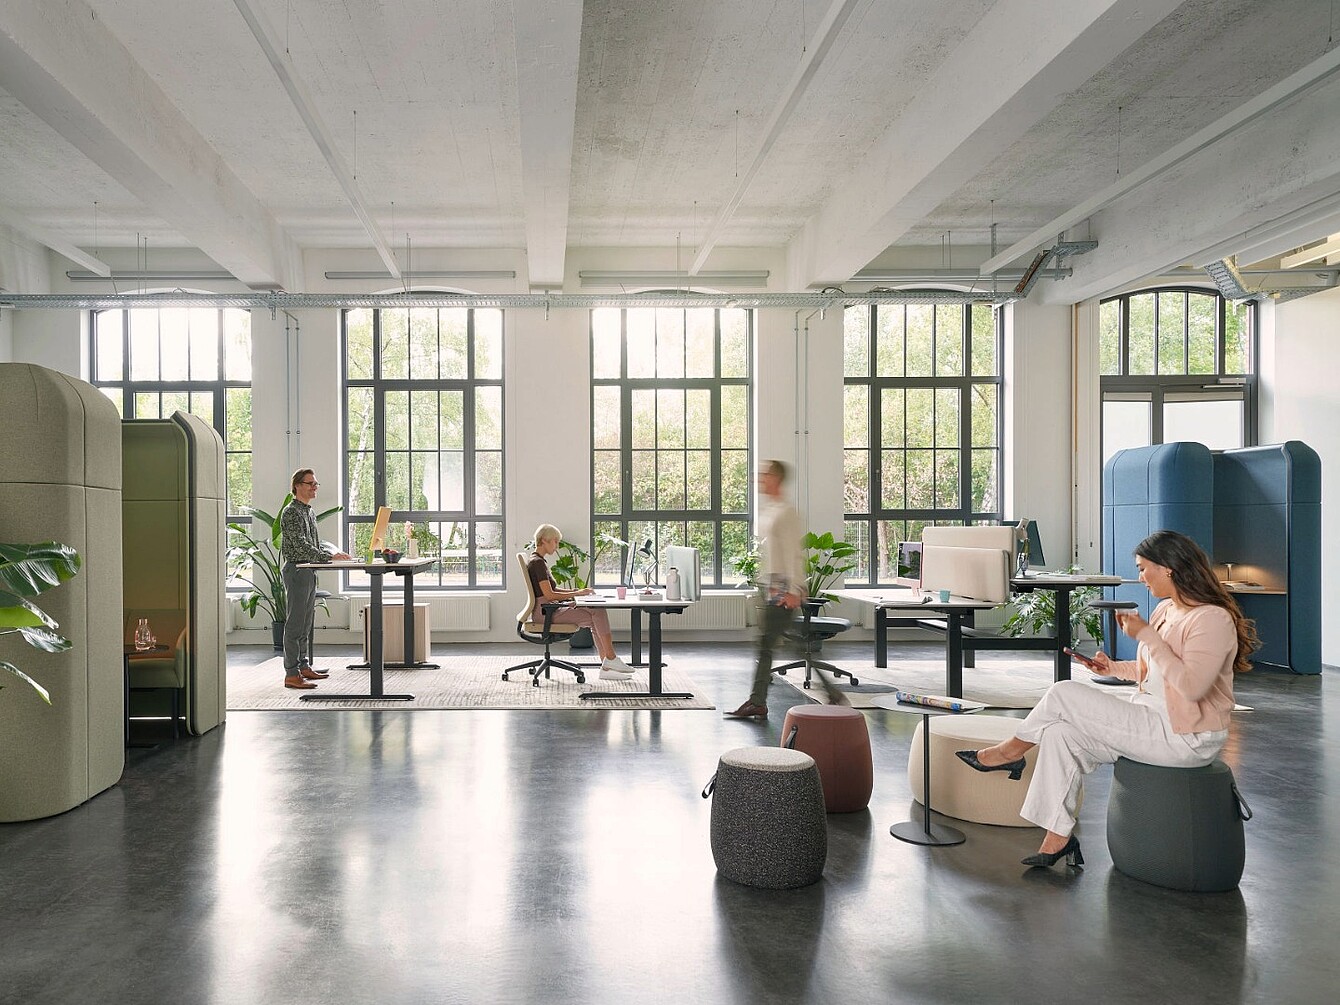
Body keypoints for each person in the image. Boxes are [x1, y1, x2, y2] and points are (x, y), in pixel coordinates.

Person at [956, 530, 1258, 868]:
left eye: (1144, 569)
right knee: (1059, 734)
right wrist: (1112, 666)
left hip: (1186, 736)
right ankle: (1058, 839)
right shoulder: (1164, 611)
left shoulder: (1211, 618)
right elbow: (1153, 672)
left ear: (1169, 568)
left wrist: (1144, 635)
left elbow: (1191, 687)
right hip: (1149, 720)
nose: (1141, 577)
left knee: (1062, 692)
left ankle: (1009, 753)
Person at [726, 460, 850, 719]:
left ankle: (758, 701)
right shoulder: (772, 509)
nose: (760, 478)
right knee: (773, 645)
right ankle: (829, 694)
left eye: (766, 475)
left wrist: (795, 589)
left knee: (767, 646)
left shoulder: (787, 512)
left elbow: (794, 553)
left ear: (777, 479)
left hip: (785, 588)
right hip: (774, 587)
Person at [528, 524, 634, 680]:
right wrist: (577, 593)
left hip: (549, 608)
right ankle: (610, 660)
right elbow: (550, 595)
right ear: (544, 540)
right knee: (597, 611)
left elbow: (553, 590)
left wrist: (578, 593)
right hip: (546, 613)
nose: (557, 546)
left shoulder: (538, 560)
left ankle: (608, 666)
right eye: (555, 542)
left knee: (595, 613)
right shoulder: (537, 563)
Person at [280, 469, 350, 690]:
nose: (314, 487)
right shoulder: (291, 513)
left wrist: (334, 554)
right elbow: (300, 546)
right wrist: (328, 557)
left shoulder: (308, 512)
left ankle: (303, 666)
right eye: (310, 483)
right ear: (297, 486)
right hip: (298, 571)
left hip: (309, 570)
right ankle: (291, 674)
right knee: (295, 624)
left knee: (306, 623)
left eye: (316, 483)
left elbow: (314, 544)